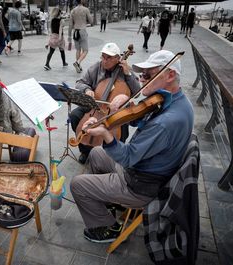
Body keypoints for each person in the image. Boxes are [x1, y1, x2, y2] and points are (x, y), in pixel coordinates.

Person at [70, 50, 194, 243]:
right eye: (141, 74)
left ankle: (106, 227)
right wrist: (127, 108)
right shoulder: (173, 100)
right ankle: (106, 202)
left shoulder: (167, 122)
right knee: (95, 153)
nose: (141, 79)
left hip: (139, 185)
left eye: (148, 74)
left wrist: (105, 133)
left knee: (78, 184)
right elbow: (143, 120)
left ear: (170, 75)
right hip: (146, 170)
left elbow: (128, 156)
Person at [70, 43, 140, 164]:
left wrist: (128, 74)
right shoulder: (96, 67)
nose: (104, 60)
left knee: (121, 123)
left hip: (115, 110)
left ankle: (116, 154)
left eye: (109, 58)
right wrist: (87, 89)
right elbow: (80, 82)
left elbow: (137, 92)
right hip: (95, 108)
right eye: (103, 57)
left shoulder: (126, 71)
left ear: (118, 58)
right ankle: (85, 150)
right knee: (75, 115)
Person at [68, 0, 93, 73]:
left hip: (75, 31)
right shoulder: (86, 9)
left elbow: (70, 24)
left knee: (78, 50)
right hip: (82, 30)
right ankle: (78, 62)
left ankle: (78, 67)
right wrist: (86, 21)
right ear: (82, 1)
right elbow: (91, 21)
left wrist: (69, 35)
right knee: (85, 50)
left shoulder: (73, 11)